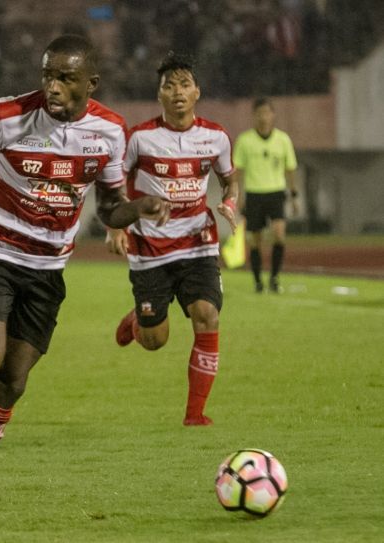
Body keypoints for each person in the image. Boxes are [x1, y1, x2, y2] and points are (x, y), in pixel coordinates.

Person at [0, 35, 170, 509]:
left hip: (46, 271)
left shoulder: (109, 132)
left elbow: (109, 210)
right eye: (48, 75)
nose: (54, 87)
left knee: (11, 382)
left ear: (91, 83)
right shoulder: (6, 116)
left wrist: (140, 206)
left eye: (66, 78)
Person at [106, 52, 238, 427]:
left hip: (198, 243)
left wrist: (229, 200)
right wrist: (116, 225)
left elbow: (230, 178)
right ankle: (140, 319)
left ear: (197, 91)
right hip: (150, 249)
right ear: (159, 94)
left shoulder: (215, 137)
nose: (177, 92)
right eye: (169, 86)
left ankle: (195, 414)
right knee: (154, 340)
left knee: (207, 315)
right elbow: (113, 184)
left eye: (184, 84)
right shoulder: (140, 139)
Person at [233, 97, 299, 293]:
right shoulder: (245, 141)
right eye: (260, 113)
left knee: (279, 234)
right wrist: (238, 196)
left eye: (267, 113)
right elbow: (239, 170)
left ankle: (275, 278)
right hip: (254, 194)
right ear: (254, 116)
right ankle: (257, 281)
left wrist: (294, 195)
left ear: (273, 115)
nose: (264, 117)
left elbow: (290, 168)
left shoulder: (283, 139)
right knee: (255, 239)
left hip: (276, 192)